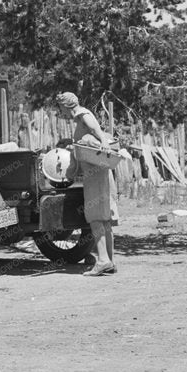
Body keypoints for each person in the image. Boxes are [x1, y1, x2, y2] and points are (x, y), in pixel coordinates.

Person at [57, 91, 118, 276]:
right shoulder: (81, 118)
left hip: (95, 174)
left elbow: (96, 131)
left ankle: (102, 261)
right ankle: (110, 261)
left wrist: (104, 142)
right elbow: (86, 140)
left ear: (66, 106)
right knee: (104, 218)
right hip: (97, 172)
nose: (62, 113)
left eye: (61, 108)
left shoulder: (82, 114)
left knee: (95, 217)